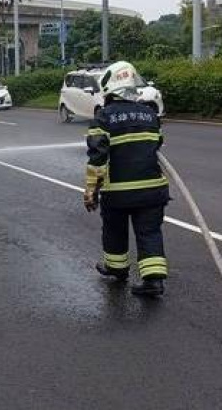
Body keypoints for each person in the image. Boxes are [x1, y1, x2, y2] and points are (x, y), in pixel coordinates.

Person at [84, 62, 169, 297]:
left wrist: (91, 191)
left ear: (110, 89)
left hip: (118, 192)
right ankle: (154, 281)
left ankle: (117, 269)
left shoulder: (103, 118)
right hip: (153, 190)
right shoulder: (151, 115)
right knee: (149, 232)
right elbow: (157, 145)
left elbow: (98, 160)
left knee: (114, 229)